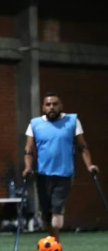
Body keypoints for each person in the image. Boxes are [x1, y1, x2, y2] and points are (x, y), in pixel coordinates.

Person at [22, 92, 99, 241]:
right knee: (45, 213)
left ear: (61, 106)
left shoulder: (72, 121)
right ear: (43, 107)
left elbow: (82, 146)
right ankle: (51, 239)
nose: (52, 107)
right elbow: (28, 149)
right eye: (48, 104)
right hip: (43, 174)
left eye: (55, 104)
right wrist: (27, 167)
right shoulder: (34, 124)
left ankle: (54, 243)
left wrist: (90, 166)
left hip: (64, 173)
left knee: (56, 208)